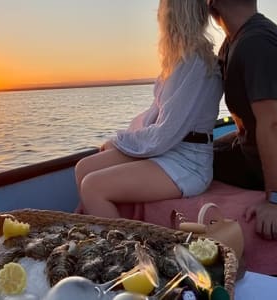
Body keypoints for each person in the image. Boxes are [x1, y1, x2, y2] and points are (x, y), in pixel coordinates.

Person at [74, 0, 223, 219]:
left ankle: (120, 250)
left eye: (162, 11)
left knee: (92, 186)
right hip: (168, 149)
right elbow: (154, 116)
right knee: (83, 168)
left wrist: (119, 142)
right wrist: (123, 144)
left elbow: (166, 132)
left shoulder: (197, 63)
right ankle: (102, 234)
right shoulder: (179, 61)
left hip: (187, 162)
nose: (159, 17)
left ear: (173, 16)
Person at [208, 0, 277, 240]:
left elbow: (273, 124)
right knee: (196, 151)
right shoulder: (234, 41)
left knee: (187, 165)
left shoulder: (257, 43)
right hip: (250, 147)